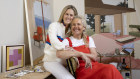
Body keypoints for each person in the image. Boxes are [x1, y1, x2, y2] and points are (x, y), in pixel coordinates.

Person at [56, 16, 123, 79]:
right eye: (73, 24)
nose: (76, 26)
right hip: (83, 71)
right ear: (71, 27)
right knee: (110, 69)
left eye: (78, 24)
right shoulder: (67, 41)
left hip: (95, 66)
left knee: (111, 68)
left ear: (83, 27)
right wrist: (80, 54)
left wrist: (78, 52)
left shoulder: (89, 39)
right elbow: (59, 54)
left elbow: (94, 56)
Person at [42, 5, 78, 79]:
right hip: (51, 61)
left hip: (64, 62)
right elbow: (54, 42)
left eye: (71, 15)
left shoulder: (70, 32)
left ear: (74, 17)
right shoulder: (54, 26)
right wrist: (67, 48)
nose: (68, 17)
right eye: (66, 14)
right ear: (63, 14)